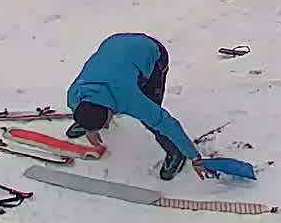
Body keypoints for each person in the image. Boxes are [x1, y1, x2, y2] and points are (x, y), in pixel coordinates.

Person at [64, 32, 213, 181]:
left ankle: (175, 152)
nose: (108, 126)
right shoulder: (74, 95)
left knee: (152, 119)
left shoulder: (130, 99)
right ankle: (89, 123)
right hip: (115, 43)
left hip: (151, 52)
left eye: (105, 124)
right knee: (94, 114)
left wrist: (195, 157)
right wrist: (91, 128)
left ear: (111, 112)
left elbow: (167, 124)